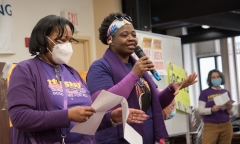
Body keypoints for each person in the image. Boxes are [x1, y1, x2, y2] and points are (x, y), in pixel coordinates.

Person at [7, 15, 148, 144]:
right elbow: (20, 117)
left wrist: (110, 118)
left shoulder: (72, 72)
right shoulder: (25, 69)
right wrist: (67, 115)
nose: (67, 45)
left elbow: (86, 120)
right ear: (43, 39)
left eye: (70, 40)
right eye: (61, 40)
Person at [86, 12, 198, 144]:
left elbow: (156, 103)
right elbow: (102, 104)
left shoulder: (137, 66)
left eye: (133, 34)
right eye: (124, 35)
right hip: (116, 139)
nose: (131, 38)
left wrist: (171, 89)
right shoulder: (100, 67)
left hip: (146, 138)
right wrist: (134, 74)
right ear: (110, 39)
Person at [197, 69, 234, 144]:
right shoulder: (204, 93)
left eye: (218, 77)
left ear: (221, 78)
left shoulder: (226, 92)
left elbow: (232, 112)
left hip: (226, 125)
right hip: (210, 126)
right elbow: (200, 110)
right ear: (210, 80)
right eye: (213, 77)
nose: (216, 79)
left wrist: (230, 108)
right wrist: (211, 110)